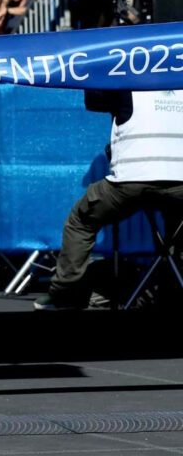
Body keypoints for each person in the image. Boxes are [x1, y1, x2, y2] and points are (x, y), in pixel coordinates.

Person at [35, 89, 183, 311]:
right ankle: (172, 289)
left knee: (81, 221)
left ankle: (64, 294)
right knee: (176, 225)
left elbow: (92, 98)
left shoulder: (127, 85)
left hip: (131, 180)